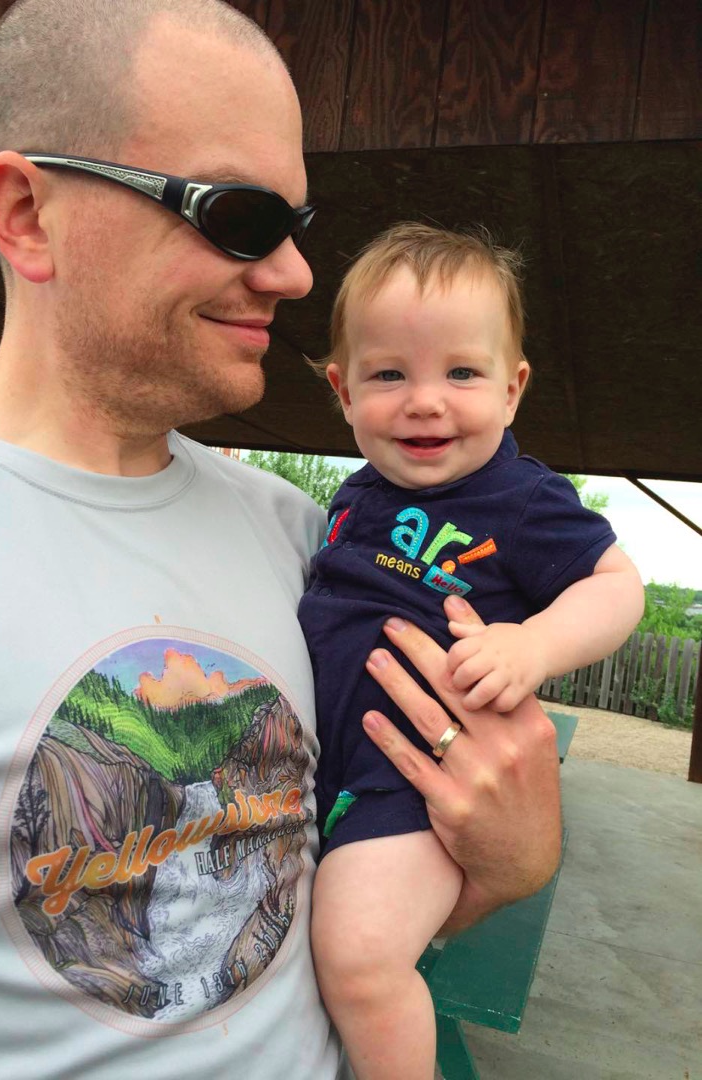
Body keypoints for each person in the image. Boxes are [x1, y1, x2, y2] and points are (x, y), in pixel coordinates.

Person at [0, 3, 563, 1077]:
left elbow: (367, 909)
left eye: (297, 224)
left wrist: (514, 859)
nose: (296, 274)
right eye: (239, 215)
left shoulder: (313, 542)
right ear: (27, 214)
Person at [299, 223, 645, 1079]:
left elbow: (618, 586)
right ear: (343, 391)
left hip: (412, 785)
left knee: (360, 958)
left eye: (461, 372)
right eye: (390, 374)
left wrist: (533, 643)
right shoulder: (352, 498)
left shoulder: (520, 499)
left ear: (512, 389)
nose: (426, 401)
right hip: (323, 769)